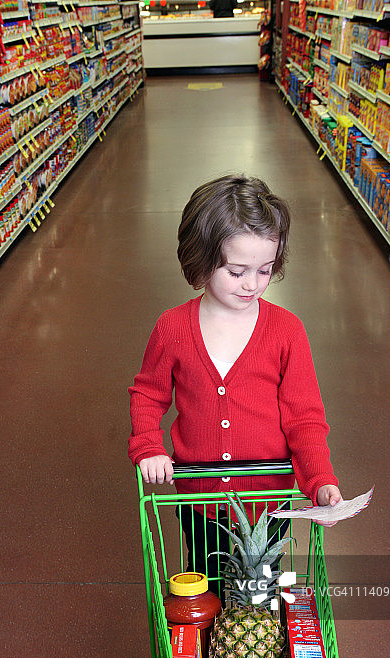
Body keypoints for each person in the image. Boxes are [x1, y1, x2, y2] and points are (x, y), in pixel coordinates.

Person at [128, 174, 342, 595]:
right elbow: (148, 394)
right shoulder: (172, 328)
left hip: (268, 503)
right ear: (201, 258)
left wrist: (320, 478)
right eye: (236, 271)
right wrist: (149, 445)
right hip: (199, 499)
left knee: (260, 591)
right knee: (201, 587)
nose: (252, 284)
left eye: (265, 270)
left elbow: (305, 417)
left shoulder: (287, 331)